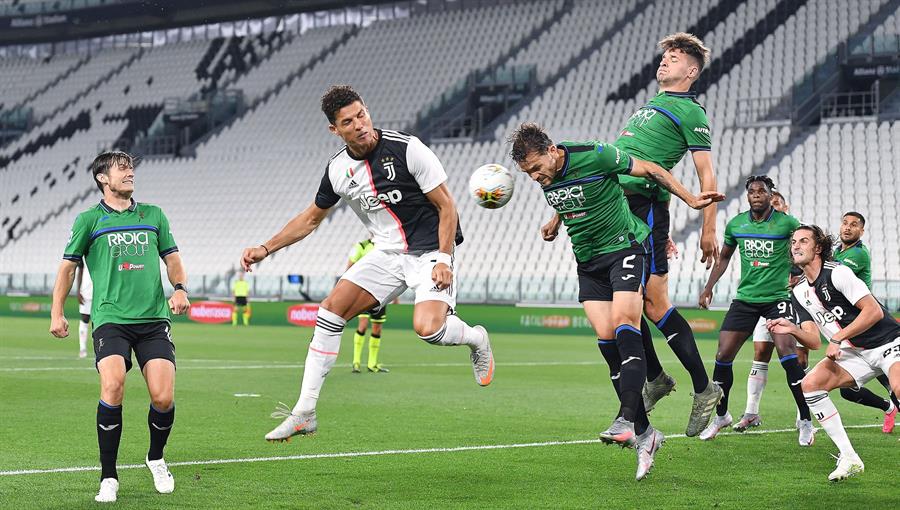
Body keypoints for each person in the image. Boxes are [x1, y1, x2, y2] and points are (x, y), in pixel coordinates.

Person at [240, 85, 494, 442]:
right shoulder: (338, 170)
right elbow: (311, 219)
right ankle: (305, 412)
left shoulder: (408, 149)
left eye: (362, 115)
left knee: (429, 330)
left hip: (429, 252)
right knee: (329, 312)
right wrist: (267, 247)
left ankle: (476, 338)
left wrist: (444, 258)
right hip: (387, 254)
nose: (359, 124)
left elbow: (447, 206)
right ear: (335, 129)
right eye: (348, 121)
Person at [510, 122, 723, 480]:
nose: (533, 177)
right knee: (607, 341)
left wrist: (690, 199)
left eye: (535, 168)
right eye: (526, 172)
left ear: (552, 151)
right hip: (588, 263)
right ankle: (645, 434)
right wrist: (555, 221)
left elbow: (652, 169)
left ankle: (625, 416)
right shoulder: (549, 177)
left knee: (627, 325)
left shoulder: (595, 153)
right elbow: (571, 194)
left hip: (624, 248)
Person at [49, 150, 190, 503]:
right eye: (121, 168)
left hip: (154, 319)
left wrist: (180, 288)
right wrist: (57, 312)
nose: (130, 173)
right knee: (112, 386)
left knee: (163, 396)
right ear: (102, 178)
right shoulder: (88, 220)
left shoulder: (154, 215)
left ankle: (156, 458)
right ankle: (108, 476)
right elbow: (67, 269)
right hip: (111, 319)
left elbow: (172, 257)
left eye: (131, 168)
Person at [611, 32, 722, 436]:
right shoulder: (651, 105)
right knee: (634, 302)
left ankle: (698, 387)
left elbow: (706, 174)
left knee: (652, 305)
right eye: (665, 57)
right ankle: (661, 379)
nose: (665, 62)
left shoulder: (691, 111)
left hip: (645, 208)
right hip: (621, 209)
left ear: (690, 71)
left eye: (674, 59)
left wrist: (709, 228)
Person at [698, 176, 815, 446]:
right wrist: (708, 287)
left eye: (762, 191)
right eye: (752, 191)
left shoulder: (787, 223)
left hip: (776, 298)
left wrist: (801, 274)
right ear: (747, 196)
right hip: (746, 298)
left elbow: (804, 248)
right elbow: (725, 256)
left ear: (770, 194)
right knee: (722, 355)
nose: (756, 195)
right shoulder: (736, 223)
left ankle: (806, 421)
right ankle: (721, 416)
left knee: (788, 355)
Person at [791, 225, 900, 480]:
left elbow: (873, 311)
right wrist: (791, 329)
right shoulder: (798, 291)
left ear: (818, 248)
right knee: (811, 385)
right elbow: (814, 340)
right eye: (794, 241)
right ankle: (850, 458)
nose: (796, 245)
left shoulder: (838, 273)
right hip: (854, 353)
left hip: (887, 342)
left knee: (898, 387)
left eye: (803, 241)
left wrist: (839, 337)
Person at [734, 190, 812, 431]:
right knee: (760, 352)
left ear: (784, 208)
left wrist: (799, 281)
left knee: (798, 358)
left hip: (795, 303)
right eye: (772, 205)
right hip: (766, 302)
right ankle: (751, 412)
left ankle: (803, 413)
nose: (774, 209)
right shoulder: (764, 237)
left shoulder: (797, 238)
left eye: (778, 205)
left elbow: (811, 266)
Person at [832, 211, 899, 433]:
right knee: (846, 389)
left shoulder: (858, 255)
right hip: (853, 329)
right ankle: (888, 408)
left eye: (854, 225)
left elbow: (835, 276)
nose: (848, 228)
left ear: (862, 231)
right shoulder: (836, 252)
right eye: (845, 223)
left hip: (872, 327)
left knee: (894, 384)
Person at [347, 238, 389, 373]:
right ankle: (356, 362)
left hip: (381, 293)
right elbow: (349, 266)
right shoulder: (361, 246)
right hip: (363, 292)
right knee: (363, 325)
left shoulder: (387, 246)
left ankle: (372, 364)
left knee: (377, 328)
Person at [75, 262, 93, 358]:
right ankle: (82, 349)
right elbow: (80, 270)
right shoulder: (84, 253)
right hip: (86, 292)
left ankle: (100, 349)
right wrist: (78, 290)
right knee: (85, 319)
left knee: (101, 321)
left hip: (102, 292)